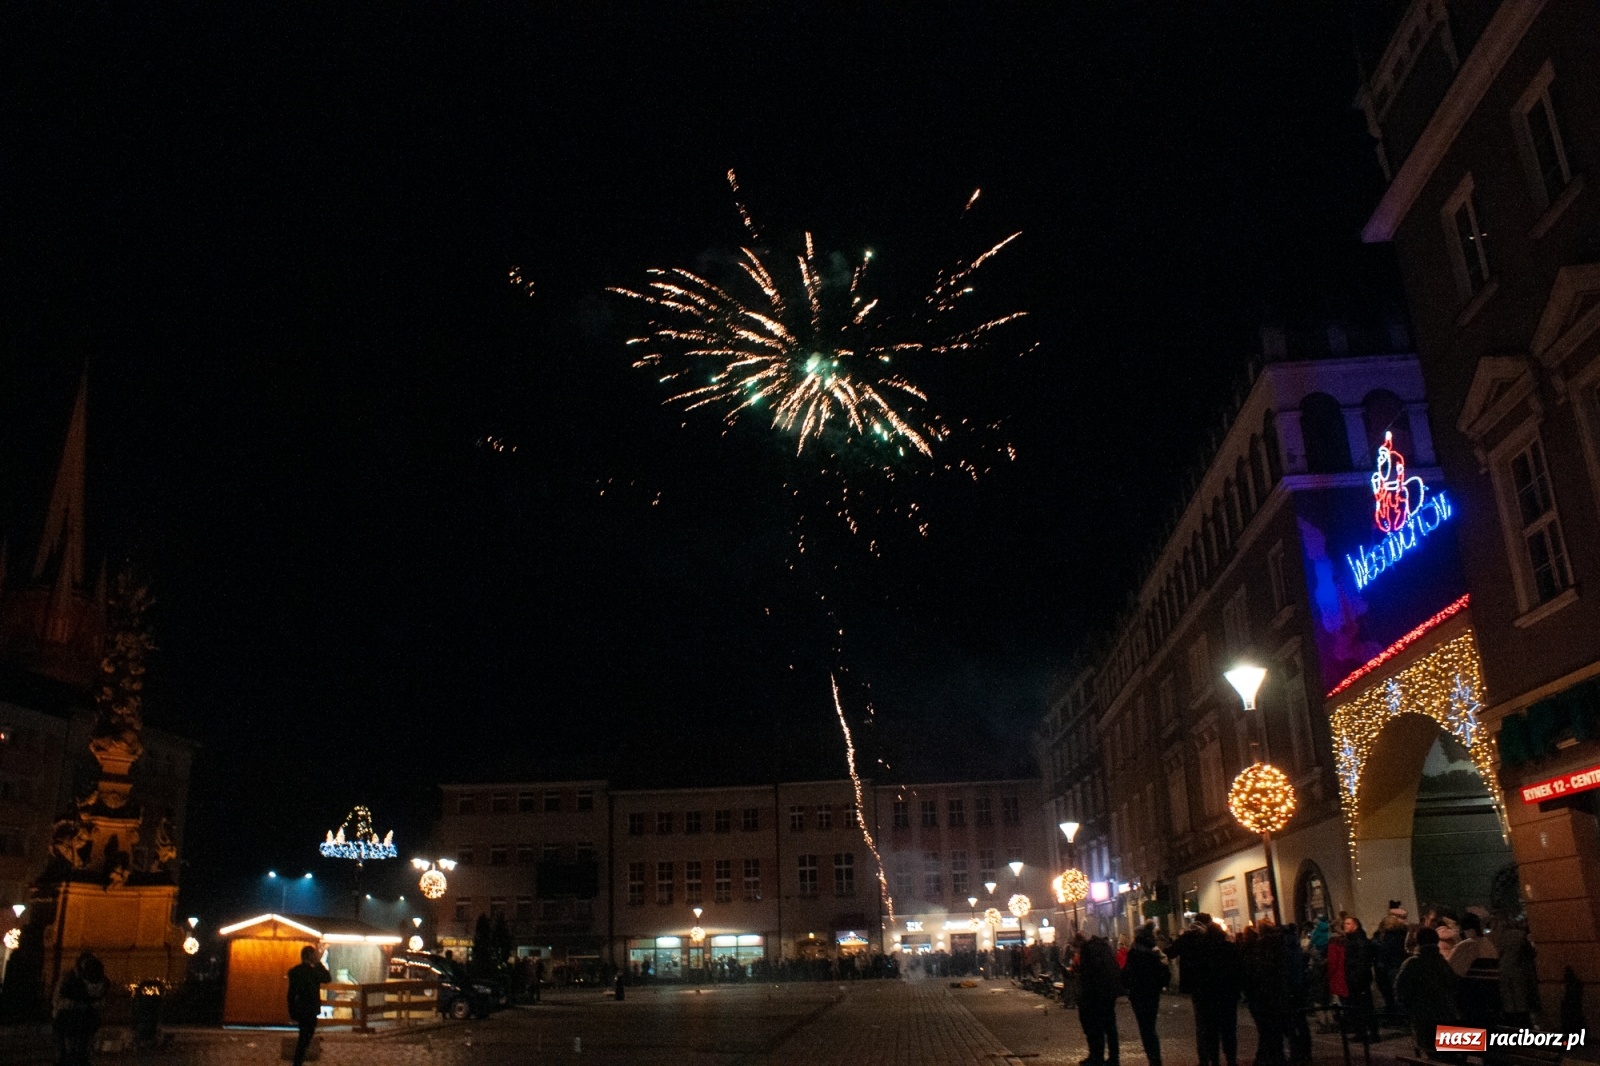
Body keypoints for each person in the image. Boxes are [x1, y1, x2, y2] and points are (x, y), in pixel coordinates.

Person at [1168, 915, 1242, 1066]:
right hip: (1227, 996)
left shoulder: (1201, 949)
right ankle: (1231, 1059)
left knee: (1208, 1029)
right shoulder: (1230, 948)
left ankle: (1211, 1060)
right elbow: (1239, 971)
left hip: (1204, 996)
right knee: (1228, 1030)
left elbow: (1172, 953)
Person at [1394, 926, 1458, 1060]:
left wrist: (1409, 1007)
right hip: (1447, 1016)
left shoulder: (1413, 963)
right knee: (1448, 1055)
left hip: (1424, 1019)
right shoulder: (1442, 962)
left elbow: (1401, 990)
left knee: (1433, 1054)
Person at [1122, 924, 1169, 1066]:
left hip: (1138, 993)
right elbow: (1164, 973)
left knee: (1145, 1027)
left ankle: (1153, 1058)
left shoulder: (1135, 951)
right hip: (1152, 993)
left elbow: (1127, 973)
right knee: (1150, 1026)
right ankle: (1155, 1058)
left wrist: (1127, 985)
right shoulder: (1154, 950)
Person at [53, 951, 107, 1066]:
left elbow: (100, 999)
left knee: (81, 1048)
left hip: (84, 1019)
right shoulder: (69, 978)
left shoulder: (95, 978)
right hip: (67, 1018)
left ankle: (77, 1055)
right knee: (68, 1050)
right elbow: (58, 1000)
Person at [1449, 911, 1500, 1030]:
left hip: (1473, 997)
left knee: (1471, 1034)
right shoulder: (1487, 943)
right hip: (1491, 996)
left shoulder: (1468, 945)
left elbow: (1452, 970)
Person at [1077, 934, 1122, 1066]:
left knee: (1095, 1027)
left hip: (1095, 995)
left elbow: (1087, 975)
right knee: (1110, 1026)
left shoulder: (1087, 950)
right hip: (1109, 993)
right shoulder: (1104, 947)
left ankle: (1096, 1057)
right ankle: (1114, 1057)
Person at [287, 944, 331, 1066]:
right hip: (310, 1007)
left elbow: (291, 994)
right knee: (307, 1035)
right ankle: (297, 1061)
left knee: (303, 1034)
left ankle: (298, 1060)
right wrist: (318, 963)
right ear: (310, 956)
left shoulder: (294, 972)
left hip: (299, 1007)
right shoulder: (313, 972)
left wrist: (291, 1011)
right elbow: (327, 978)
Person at [1340, 916, 1380, 1043]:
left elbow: (1362, 960)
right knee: (1357, 1006)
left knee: (1365, 1006)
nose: (1345, 926)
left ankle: (1372, 1033)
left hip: (1359, 978)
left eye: (1348, 923)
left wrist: (1357, 975)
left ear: (1355, 925)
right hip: (1354, 977)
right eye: (1344, 924)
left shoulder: (1359, 939)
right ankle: (1361, 1032)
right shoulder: (1351, 939)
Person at [1374, 902, 1409, 1017]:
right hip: (1400, 964)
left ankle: (1400, 1015)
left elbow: (1386, 952)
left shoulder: (1389, 937)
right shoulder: (1404, 934)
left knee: (1395, 991)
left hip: (1392, 966)